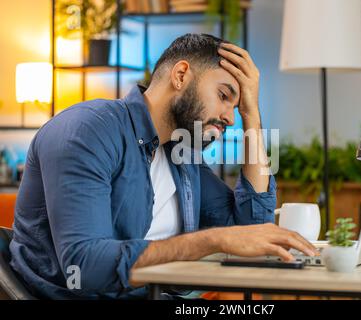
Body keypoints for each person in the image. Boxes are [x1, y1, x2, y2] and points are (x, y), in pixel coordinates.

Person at [10, 33, 318, 299]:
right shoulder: (88, 130)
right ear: (181, 75)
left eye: (238, 108)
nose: (230, 118)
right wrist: (214, 240)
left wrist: (253, 114)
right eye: (224, 96)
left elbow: (251, 228)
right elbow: (84, 267)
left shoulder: (179, 154)